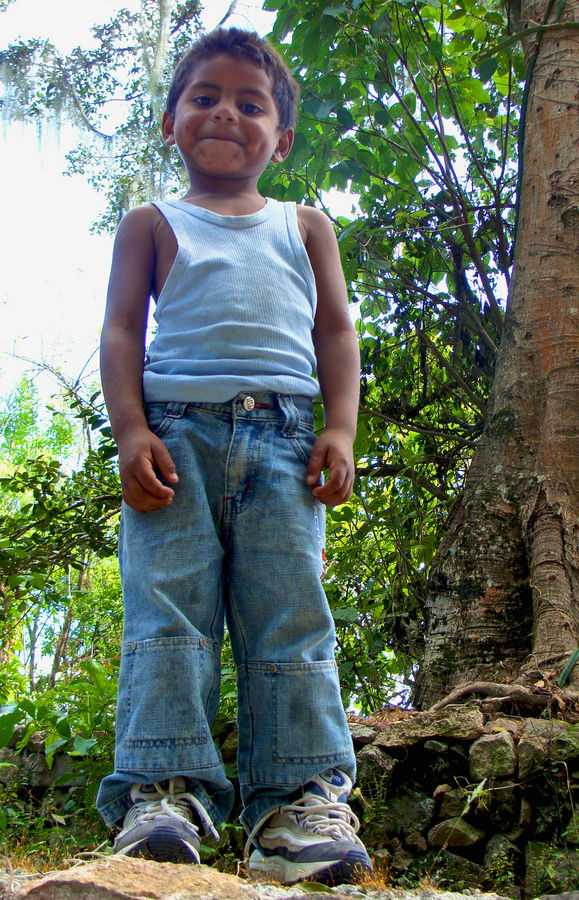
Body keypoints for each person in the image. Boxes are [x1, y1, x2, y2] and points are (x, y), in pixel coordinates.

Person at [95, 26, 372, 886]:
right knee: (168, 610)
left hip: (287, 443)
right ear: (172, 123)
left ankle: (297, 806)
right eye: (204, 97)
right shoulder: (151, 222)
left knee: (289, 614)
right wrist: (131, 431)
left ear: (280, 140)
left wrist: (341, 428)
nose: (226, 112)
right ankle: (163, 793)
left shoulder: (305, 226)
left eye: (250, 104)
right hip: (175, 440)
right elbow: (118, 330)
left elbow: (334, 331)